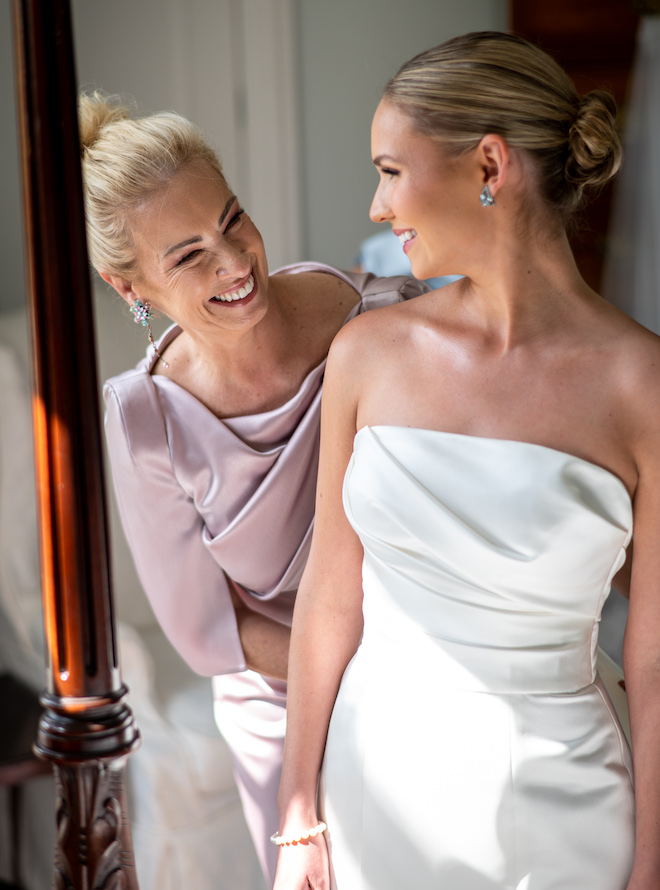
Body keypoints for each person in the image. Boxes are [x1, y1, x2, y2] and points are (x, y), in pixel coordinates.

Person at [274, 31, 660, 890]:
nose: (376, 207)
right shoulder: (365, 354)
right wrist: (297, 809)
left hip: (564, 808)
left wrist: (651, 866)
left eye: (389, 169)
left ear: (489, 165)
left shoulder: (644, 385)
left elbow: (655, 657)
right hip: (375, 788)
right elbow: (331, 597)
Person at [78, 92, 429, 882]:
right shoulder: (145, 419)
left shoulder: (364, 313)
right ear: (129, 287)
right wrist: (362, 666)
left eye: (232, 220)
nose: (234, 262)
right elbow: (208, 631)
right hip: (277, 702)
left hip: (416, 670)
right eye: (188, 254)